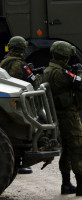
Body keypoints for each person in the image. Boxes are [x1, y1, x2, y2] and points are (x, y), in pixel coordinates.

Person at [44, 41, 82, 196]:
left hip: (58, 114)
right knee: (76, 148)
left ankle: (66, 184)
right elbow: (81, 83)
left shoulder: (49, 70)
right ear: (65, 57)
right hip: (68, 115)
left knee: (67, 150)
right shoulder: (60, 73)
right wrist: (80, 71)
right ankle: (81, 185)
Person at [0, 36, 42, 175]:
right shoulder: (21, 65)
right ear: (22, 50)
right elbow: (35, 83)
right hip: (21, 102)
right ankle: (21, 162)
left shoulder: (3, 63)